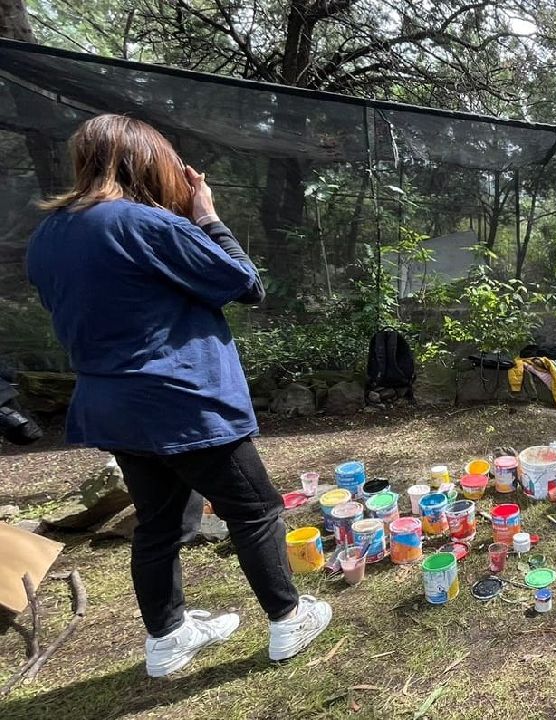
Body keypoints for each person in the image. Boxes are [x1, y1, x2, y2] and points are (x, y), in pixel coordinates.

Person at [25, 114, 331, 677]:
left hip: (113, 406)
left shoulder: (49, 236)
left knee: (160, 523)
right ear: (147, 163)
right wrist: (205, 213)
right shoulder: (141, 223)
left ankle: (167, 637)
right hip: (181, 401)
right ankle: (289, 620)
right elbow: (245, 282)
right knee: (256, 510)